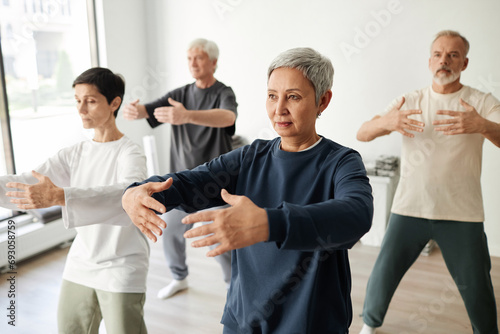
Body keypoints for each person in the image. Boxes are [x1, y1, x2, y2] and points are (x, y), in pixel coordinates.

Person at [122, 47, 373, 333]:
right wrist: (139, 190)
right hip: (245, 318)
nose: (279, 109)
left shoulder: (340, 161)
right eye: (271, 96)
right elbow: (191, 182)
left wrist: (270, 223)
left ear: (322, 101)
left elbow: (357, 213)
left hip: (308, 321)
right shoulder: (251, 156)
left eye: (293, 96)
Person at [357, 30, 500, 334]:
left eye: (453, 55)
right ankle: (369, 325)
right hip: (410, 206)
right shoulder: (411, 99)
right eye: (438, 54)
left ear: (465, 62)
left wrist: (483, 125)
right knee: (385, 272)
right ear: (429, 60)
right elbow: (363, 133)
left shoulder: (481, 101)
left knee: (477, 283)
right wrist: (389, 123)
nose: (444, 61)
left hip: (462, 212)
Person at [1, 68, 149, 334]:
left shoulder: (131, 153)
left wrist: (61, 195)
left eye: (90, 101)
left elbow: (125, 193)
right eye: (77, 100)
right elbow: (25, 183)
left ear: (114, 103)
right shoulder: (74, 154)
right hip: (82, 261)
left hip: (122, 263)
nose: (81, 108)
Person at [122, 38, 236, 299]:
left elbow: (228, 117)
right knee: (171, 231)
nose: (192, 63)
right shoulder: (181, 94)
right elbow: (147, 110)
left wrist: (187, 116)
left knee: (221, 238)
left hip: (217, 181)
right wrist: (131, 109)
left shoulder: (223, 92)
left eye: (199, 58)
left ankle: (233, 284)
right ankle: (179, 277)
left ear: (214, 63)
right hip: (182, 180)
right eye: (188, 58)